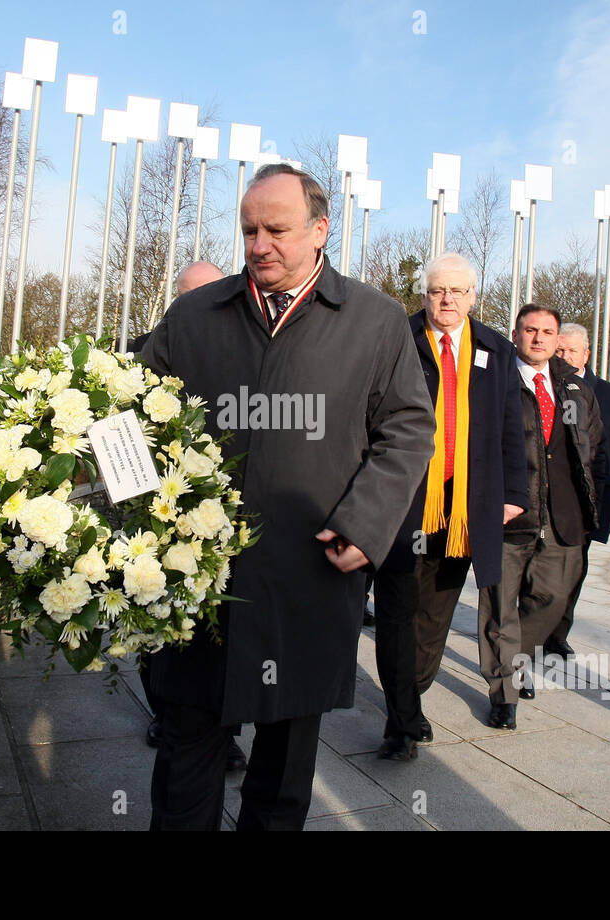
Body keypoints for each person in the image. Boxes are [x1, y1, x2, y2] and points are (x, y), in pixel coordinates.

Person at [139, 163, 435, 830]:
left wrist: (366, 524)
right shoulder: (195, 314)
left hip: (308, 571)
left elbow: (409, 428)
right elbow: (132, 408)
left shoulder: (376, 321)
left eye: (276, 229)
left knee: (281, 776)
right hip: (197, 577)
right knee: (185, 757)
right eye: (249, 230)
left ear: (320, 230)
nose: (258, 244)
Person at [372, 252, 527, 760]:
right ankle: (401, 722)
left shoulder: (497, 351)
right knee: (398, 611)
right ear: (425, 295)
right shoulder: (398, 338)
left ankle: (410, 695)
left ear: (474, 297)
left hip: (464, 509)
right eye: (439, 290)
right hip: (404, 501)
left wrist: (513, 496)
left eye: (458, 291)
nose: (447, 300)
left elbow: (510, 427)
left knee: (435, 615)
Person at [135, 259, 239, 767]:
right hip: (160, 502)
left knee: (221, 626)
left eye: (206, 292)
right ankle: (164, 711)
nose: (194, 303)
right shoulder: (154, 345)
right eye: (185, 295)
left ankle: (225, 732)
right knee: (156, 608)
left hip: (225, 512)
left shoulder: (245, 349)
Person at [482, 304, 602, 730]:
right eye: (529, 330)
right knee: (499, 607)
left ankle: (513, 658)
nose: (538, 339)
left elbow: (591, 446)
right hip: (507, 515)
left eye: (547, 332)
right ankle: (504, 693)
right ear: (515, 335)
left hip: (563, 515)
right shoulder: (494, 381)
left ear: (557, 340)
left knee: (552, 598)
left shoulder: (574, 388)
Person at [548, 323, 610, 657]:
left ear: (586, 354)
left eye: (570, 351)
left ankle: (557, 633)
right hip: (544, 495)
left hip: (591, 499)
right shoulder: (536, 386)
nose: (563, 356)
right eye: (558, 350)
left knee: (575, 567)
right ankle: (525, 627)